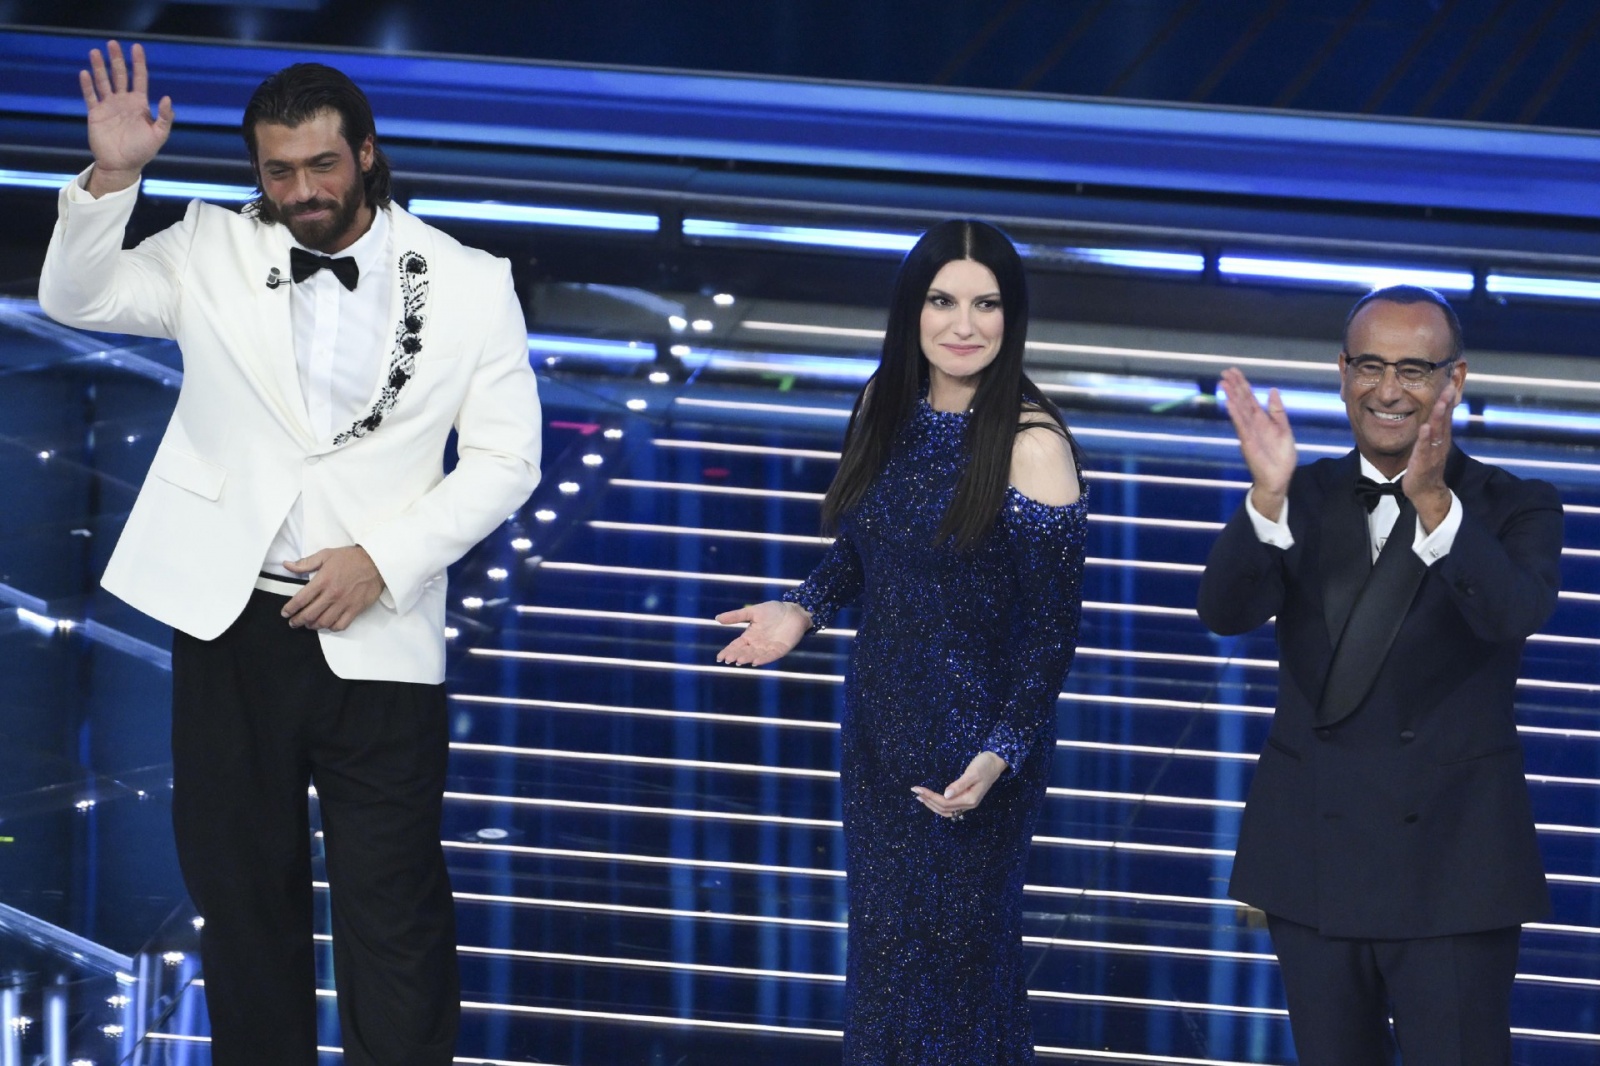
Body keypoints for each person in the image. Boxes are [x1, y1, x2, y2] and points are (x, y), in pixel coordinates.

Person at [38, 42, 542, 1066]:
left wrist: (383, 558)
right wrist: (112, 178)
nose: (302, 190)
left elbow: (506, 461)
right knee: (241, 901)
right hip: (231, 624)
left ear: (366, 152)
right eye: (278, 171)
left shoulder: (470, 282)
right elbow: (75, 299)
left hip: (379, 628)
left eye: (321, 165)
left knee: (393, 908)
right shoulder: (205, 246)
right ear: (255, 171)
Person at [715, 219, 1087, 1064]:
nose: (964, 325)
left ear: (1011, 316)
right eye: (943, 301)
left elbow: (1053, 637)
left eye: (986, 304)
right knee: (884, 975)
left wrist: (1000, 754)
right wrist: (804, 608)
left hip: (974, 768)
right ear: (912, 311)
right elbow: (866, 548)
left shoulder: (1033, 446)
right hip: (880, 743)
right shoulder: (886, 405)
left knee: (960, 979)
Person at [1198, 285, 1562, 1065]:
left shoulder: (1516, 505)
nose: (1389, 389)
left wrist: (1433, 502)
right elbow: (1223, 610)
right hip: (1314, 862)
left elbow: (1511, 613)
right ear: (1341, 372)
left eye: (1414, 369)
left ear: (1454, 382)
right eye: (1370, 365)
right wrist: (1265, 495)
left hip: (1454, 869)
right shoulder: (1299, 491)